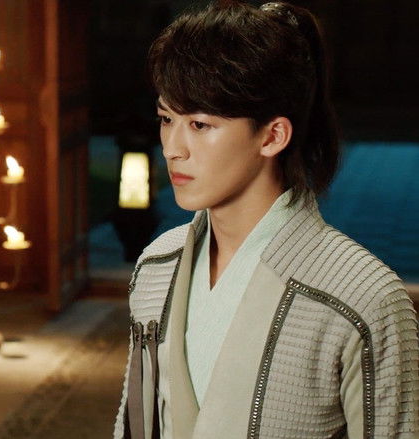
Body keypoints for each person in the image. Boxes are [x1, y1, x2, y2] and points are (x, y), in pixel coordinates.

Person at [115, 2, 419, 438]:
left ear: (273, 135)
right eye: (167, 119)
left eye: (200, 125)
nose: (172, 148)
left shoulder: (365, 296)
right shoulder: (156, 266)